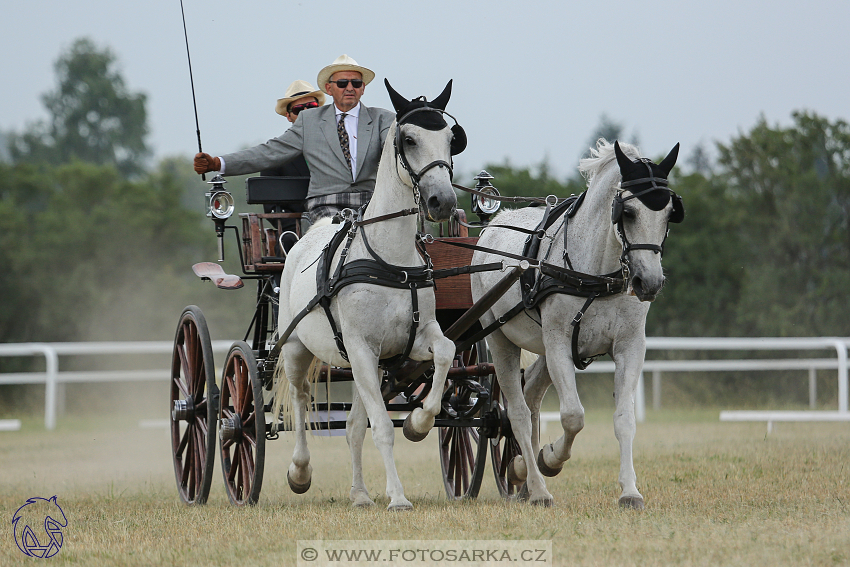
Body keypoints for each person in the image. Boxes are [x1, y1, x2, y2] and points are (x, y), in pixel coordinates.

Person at [194, 54, 395, 222]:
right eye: (342, 83)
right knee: (336, 238)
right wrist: (217, 163)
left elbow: (400, 149)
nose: (349, 87)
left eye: (356, 83)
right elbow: (269, 152)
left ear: (363, 88)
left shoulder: (383, 119)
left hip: (372, 202)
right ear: (329, 88)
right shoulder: (309, 121)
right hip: (327, 203)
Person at [260, 79, 325, 251]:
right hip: (298, 234)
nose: (305, 113)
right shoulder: (275, 153)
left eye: (310, 106)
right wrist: (304, 228)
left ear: (320, 109)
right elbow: (271, 208)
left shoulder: (343, 146)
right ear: (288, 116)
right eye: (298, 110)